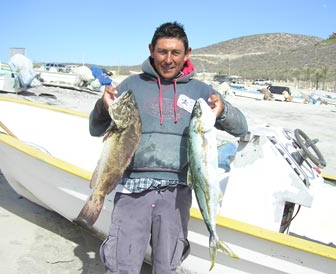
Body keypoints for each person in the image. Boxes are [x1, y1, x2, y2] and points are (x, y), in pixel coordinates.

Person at [89, 21, 248, 274]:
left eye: (175, 53)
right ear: (151, 50)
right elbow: (96, 130)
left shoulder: (202, 91)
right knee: (121, 267)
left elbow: (241, 127)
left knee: (167, 267)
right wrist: (102, 106)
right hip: (133, 191)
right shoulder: (131, 86)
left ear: (187, 54)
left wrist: (224, 111)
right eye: (162, 51)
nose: (168, 59)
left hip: (177, 194)